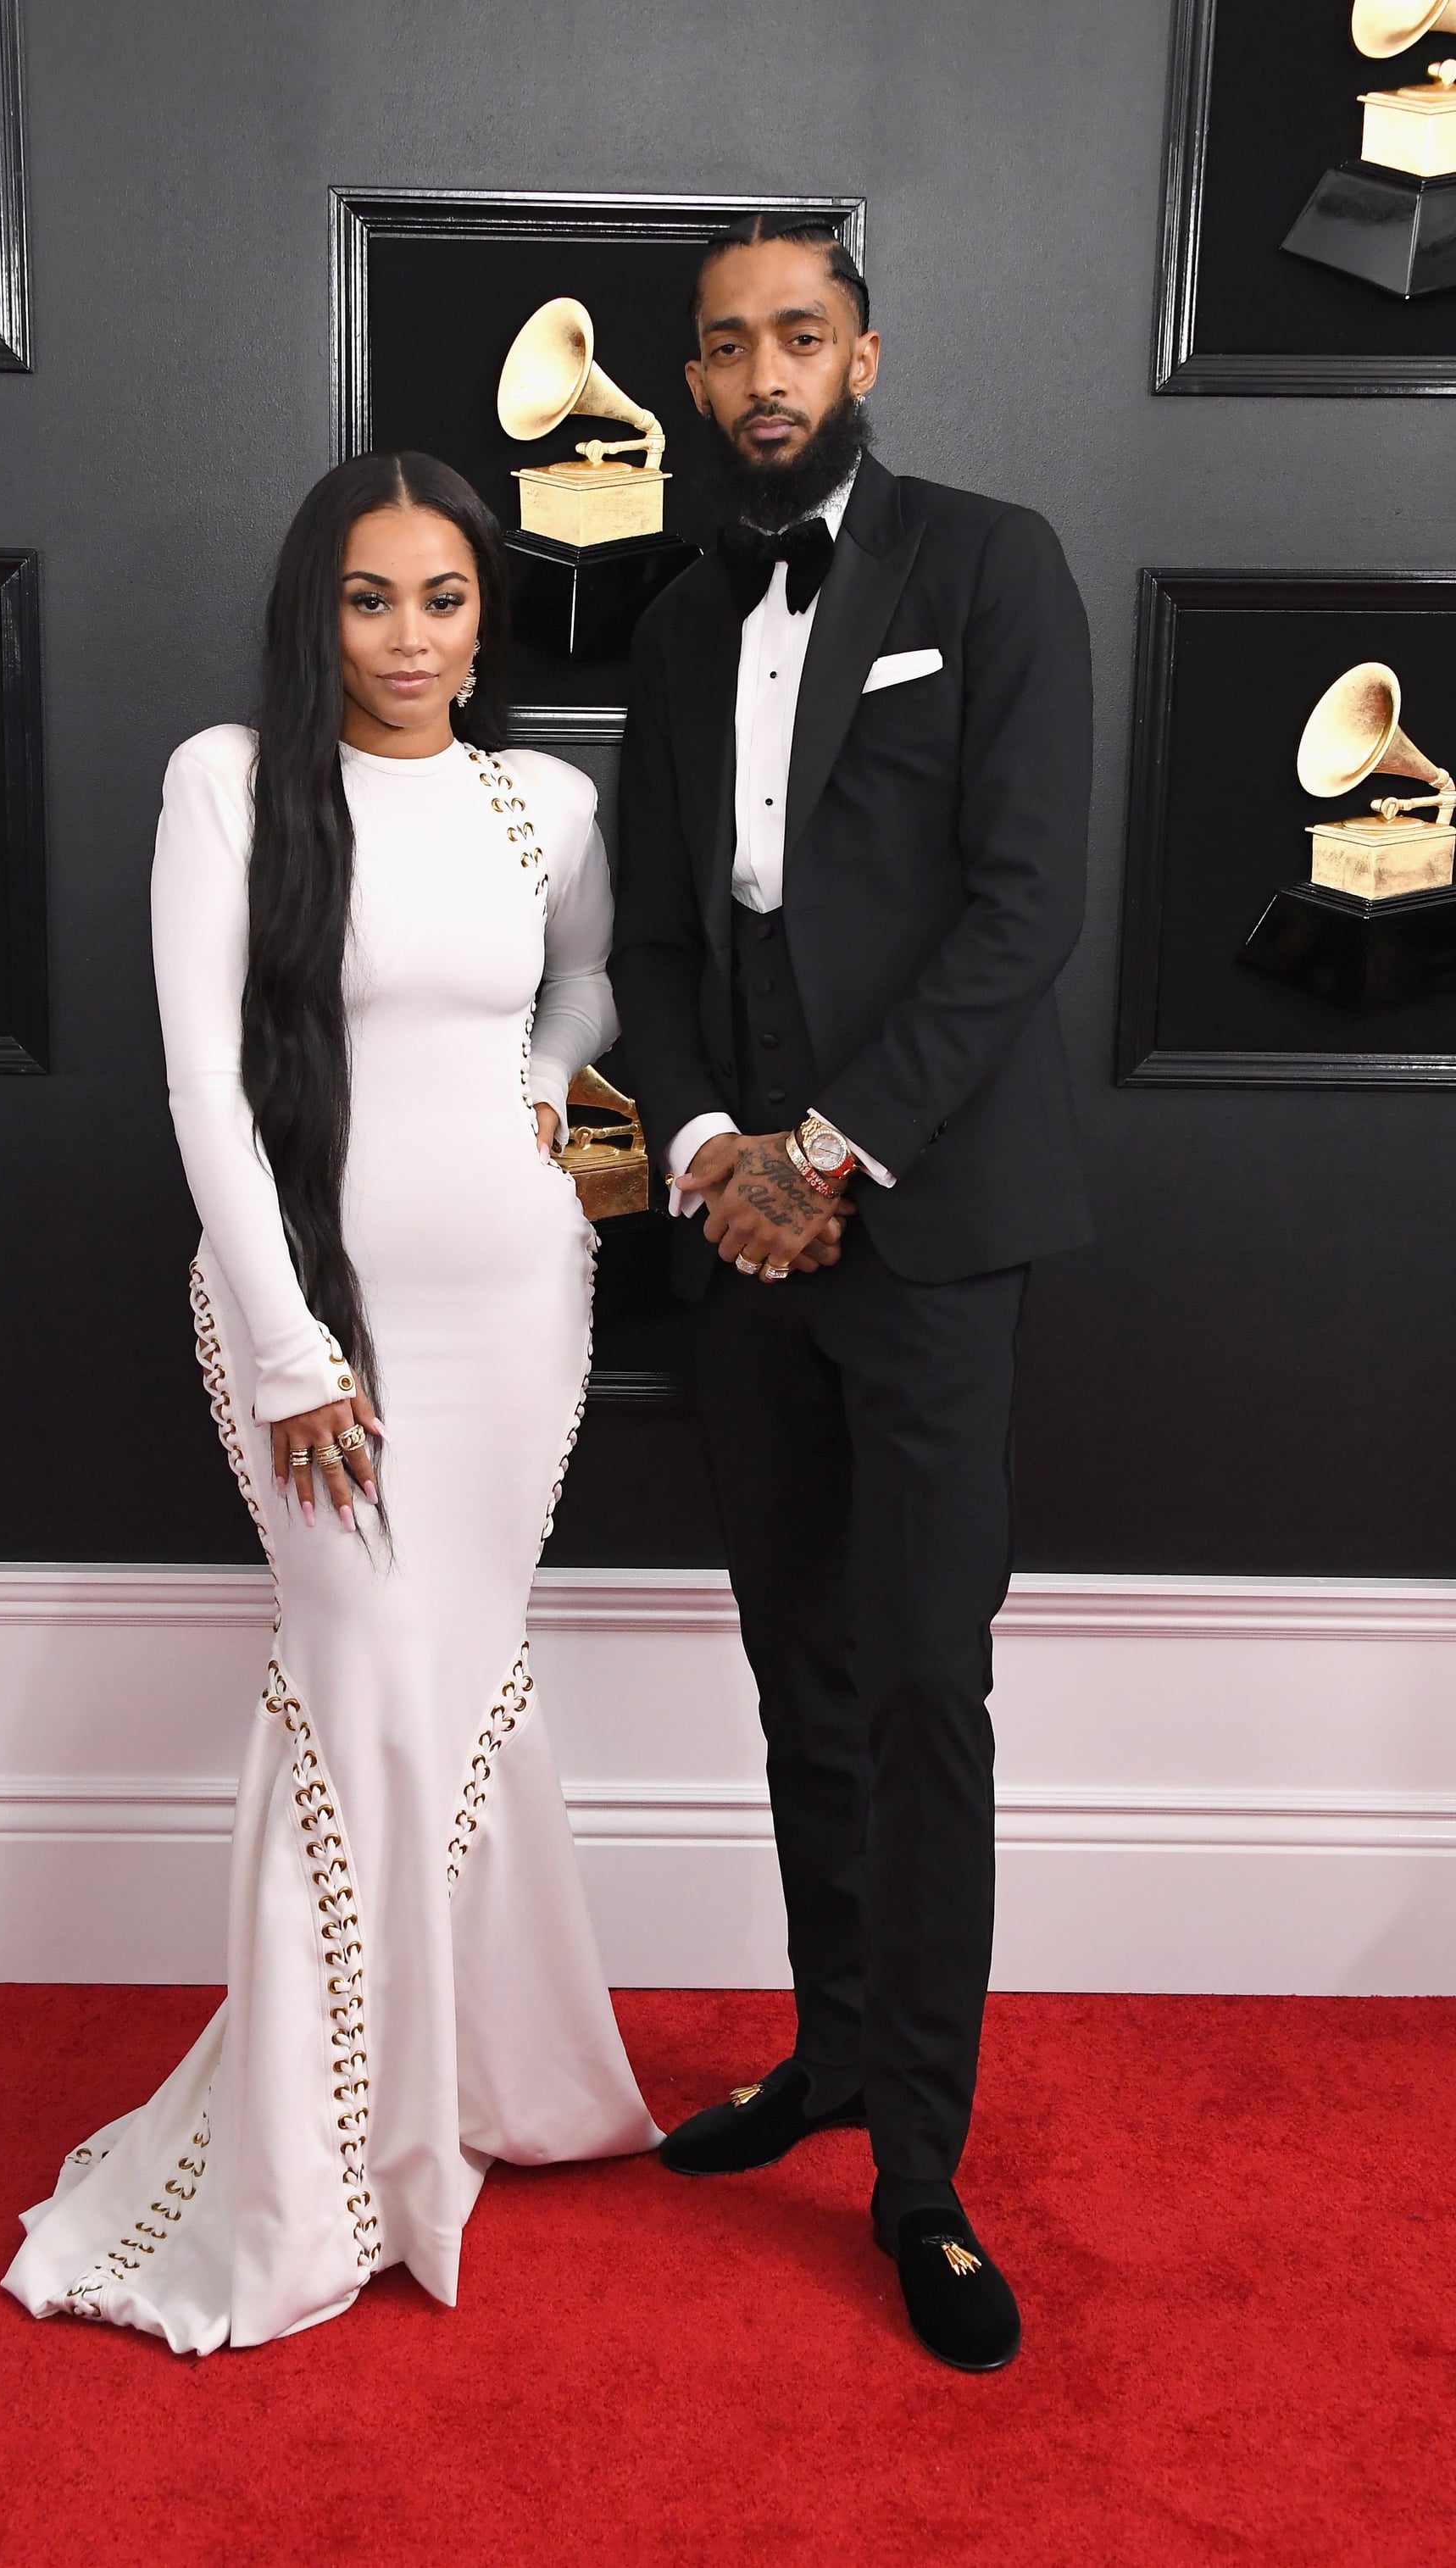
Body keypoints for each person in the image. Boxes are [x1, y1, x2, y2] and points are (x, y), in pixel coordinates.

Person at [3, 452, 658, 2354]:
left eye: (443, 598)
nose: (407, 637)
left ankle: (492, 2093)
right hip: (318, 1314)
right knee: (357, 1669)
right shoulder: (228, 782)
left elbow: (596, 977)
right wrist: (293, 1350)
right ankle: (316, 2178)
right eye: (369, 599)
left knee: (456, 1682)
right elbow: (204, 1084)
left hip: (521, 1295)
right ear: (318, 610)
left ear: (486, 613)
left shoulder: (545, 798)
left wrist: (547, 1080)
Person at [609, 214, 1092, 2372]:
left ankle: (920, 2167)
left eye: (798, 335)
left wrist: (831, 1150)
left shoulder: (992, 568)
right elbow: (649, 936)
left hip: (922, 1229)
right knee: (795, 1670)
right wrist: (716, 1149)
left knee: (920, 1689)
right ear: (697, 385)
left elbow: (1018, 910)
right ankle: (821, 2055)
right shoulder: (678, 612)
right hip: (743, 1239)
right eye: (724, 349)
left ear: (864, 355)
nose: (762, 375)